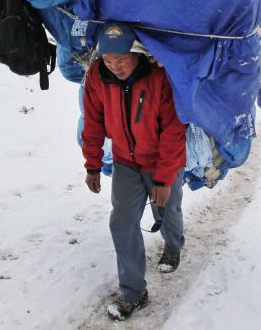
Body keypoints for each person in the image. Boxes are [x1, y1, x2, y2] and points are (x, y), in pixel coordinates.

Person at [81, 22, 187, 321]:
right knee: (122, 222)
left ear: (137, 54)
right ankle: (134, 293)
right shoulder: (97, 78)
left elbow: (173, 131)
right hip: (126, 163)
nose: (115, 67)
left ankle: (173, 246)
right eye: (108, 60)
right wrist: (92, 165)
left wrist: (164, 179)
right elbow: (93, 124)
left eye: (121, 60)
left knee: (167, 211)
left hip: (161, 160)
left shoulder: (160, 79)